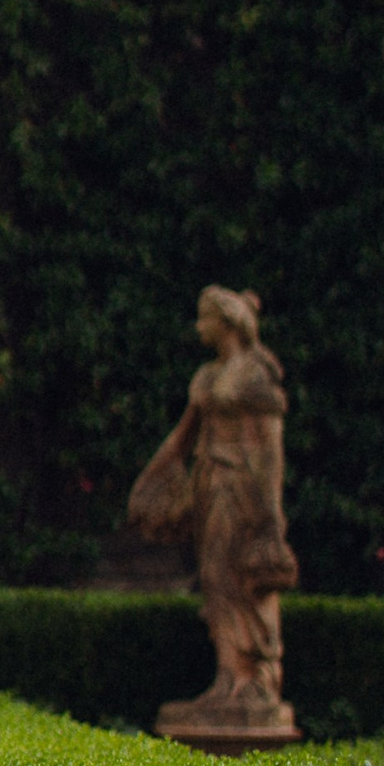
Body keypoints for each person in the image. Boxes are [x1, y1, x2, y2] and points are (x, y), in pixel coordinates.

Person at [127, 284, 300, 718]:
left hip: (246, 488)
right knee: (216, 576)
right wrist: (152, 477)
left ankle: (257, 682)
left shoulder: (257, 373)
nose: (198, 326)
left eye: (204, 318)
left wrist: (270, 514)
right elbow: (183, 437)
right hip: (210, 484)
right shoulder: (206, 376)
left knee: (245, 575)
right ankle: (228, 678)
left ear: (226, 322)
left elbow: (268, 446)